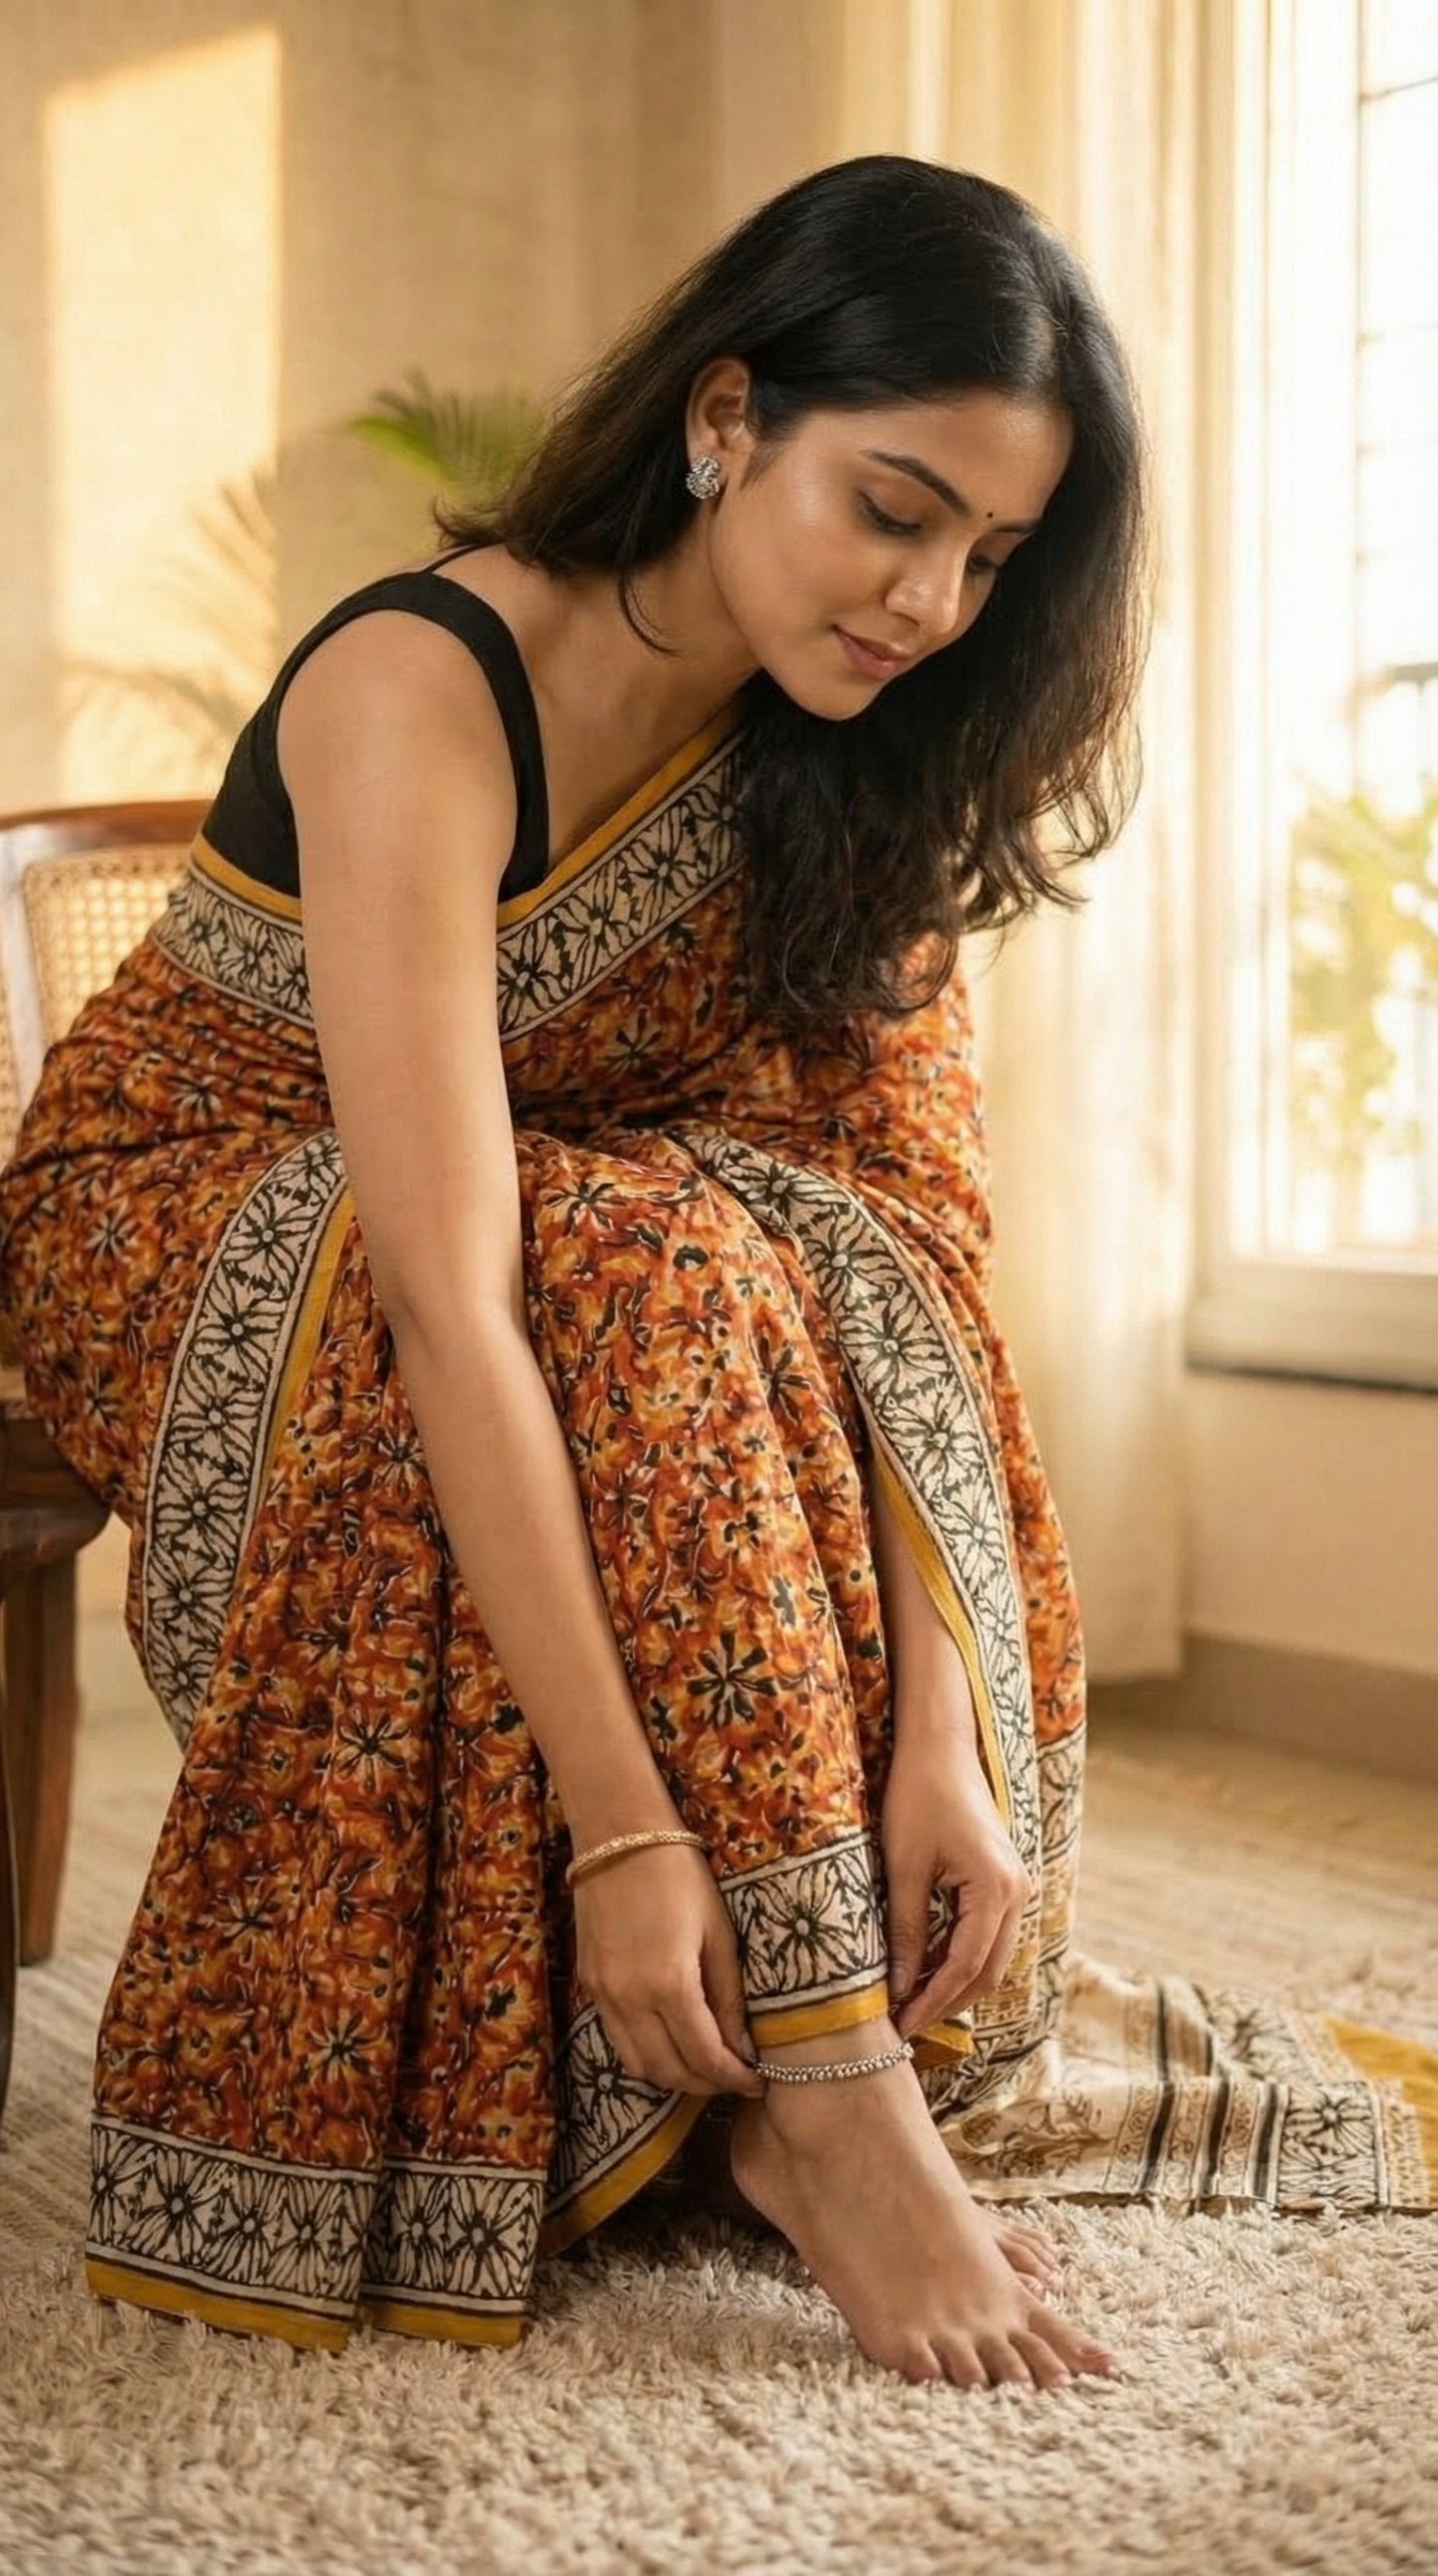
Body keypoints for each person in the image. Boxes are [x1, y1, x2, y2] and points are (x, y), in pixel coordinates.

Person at [1, 154, 1432, 2392]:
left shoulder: (857, 756)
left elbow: (905, 1261)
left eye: (990, 553)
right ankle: (824, 2096)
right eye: (894, 505)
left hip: (594, 1251)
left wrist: (936, 1726)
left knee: (746, 1240)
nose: (934, 599)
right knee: (652, 1245)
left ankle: (782, 2032)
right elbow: (458, 1290)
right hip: (190, 1202)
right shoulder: (421, 677)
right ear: (722, 414)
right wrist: (622, 1825)